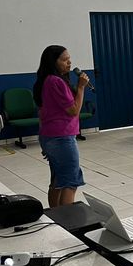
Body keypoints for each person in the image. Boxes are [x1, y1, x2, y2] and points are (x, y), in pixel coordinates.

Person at [33, 45, 89, 207]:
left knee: (57, 180)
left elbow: (42, 113)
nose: (69, 63)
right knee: (70, 183)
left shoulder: (45, 80)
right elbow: (73, 110)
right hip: (61, 137)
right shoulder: (56, 81)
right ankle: (68, 222)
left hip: (49, 136)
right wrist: (80, 87)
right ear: (53, 62)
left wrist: (45, 142)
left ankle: (56, 217)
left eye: (69, 59)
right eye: (64, 60)